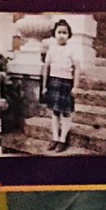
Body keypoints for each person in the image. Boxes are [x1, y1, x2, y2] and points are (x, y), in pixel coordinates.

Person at [40, 17, 78, 150]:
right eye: (59, 32)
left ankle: (63, 139)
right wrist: (44, 86)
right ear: (54, 34)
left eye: (64, 33)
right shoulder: (51, 50)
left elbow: (77, 68)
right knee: (55, 112)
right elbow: (46, 68)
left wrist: (75, 86)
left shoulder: (71, 50)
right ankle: (55, 138)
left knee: (66, 112)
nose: (61, 35)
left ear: (69, 35)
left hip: (66, 83)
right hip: (53, 82)